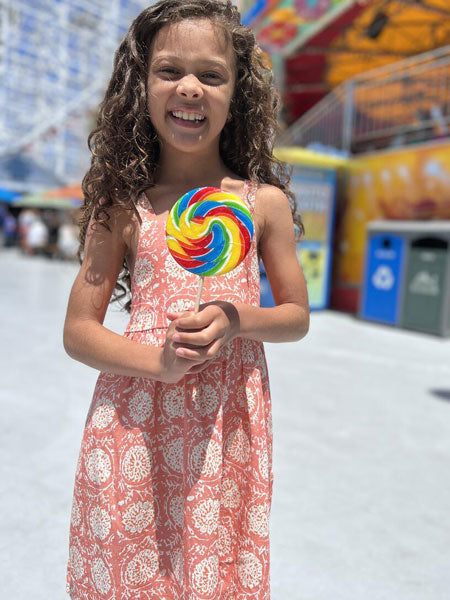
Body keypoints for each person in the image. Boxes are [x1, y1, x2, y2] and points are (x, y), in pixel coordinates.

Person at [63, 1, 309, 598]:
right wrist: (160, 364)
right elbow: (78, 329)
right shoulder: (124, 205)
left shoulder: (262, 204)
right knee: (131, 568)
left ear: (238, 92)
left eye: (212, 75)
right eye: (169, 71)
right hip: (133, 425)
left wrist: (237, 317)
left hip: (227, 428)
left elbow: (295, 316)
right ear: (141, 85)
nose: (190, 88)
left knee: (212, 571)